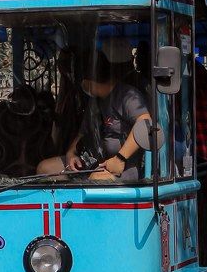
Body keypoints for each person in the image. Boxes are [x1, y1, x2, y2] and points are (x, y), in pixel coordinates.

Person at [36, 49, 150, 181]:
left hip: (121, 166)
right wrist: (71, 152)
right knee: (44, 168)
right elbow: (83, 132)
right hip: (91, 160)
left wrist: (120, 158)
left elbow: (145, 124)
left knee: (95, 180)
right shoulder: (94, 102)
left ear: (86, 82)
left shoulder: (128, 97)